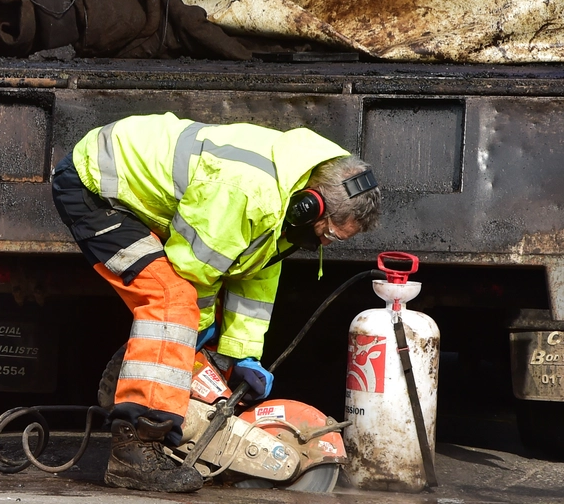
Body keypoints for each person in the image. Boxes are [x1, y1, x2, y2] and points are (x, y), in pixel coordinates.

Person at [52, 113, 382, 493]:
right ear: (311, 206)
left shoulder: (289, 198)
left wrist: (239, 354)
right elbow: (194, 271)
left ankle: (163, 401)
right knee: (171, 303)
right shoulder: (245, 189)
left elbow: (253, 273)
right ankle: (135, 450)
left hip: (144, 199)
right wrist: (198, 336)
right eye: (328, 233)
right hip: (95, 188)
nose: (325, 242)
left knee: (192, 321)